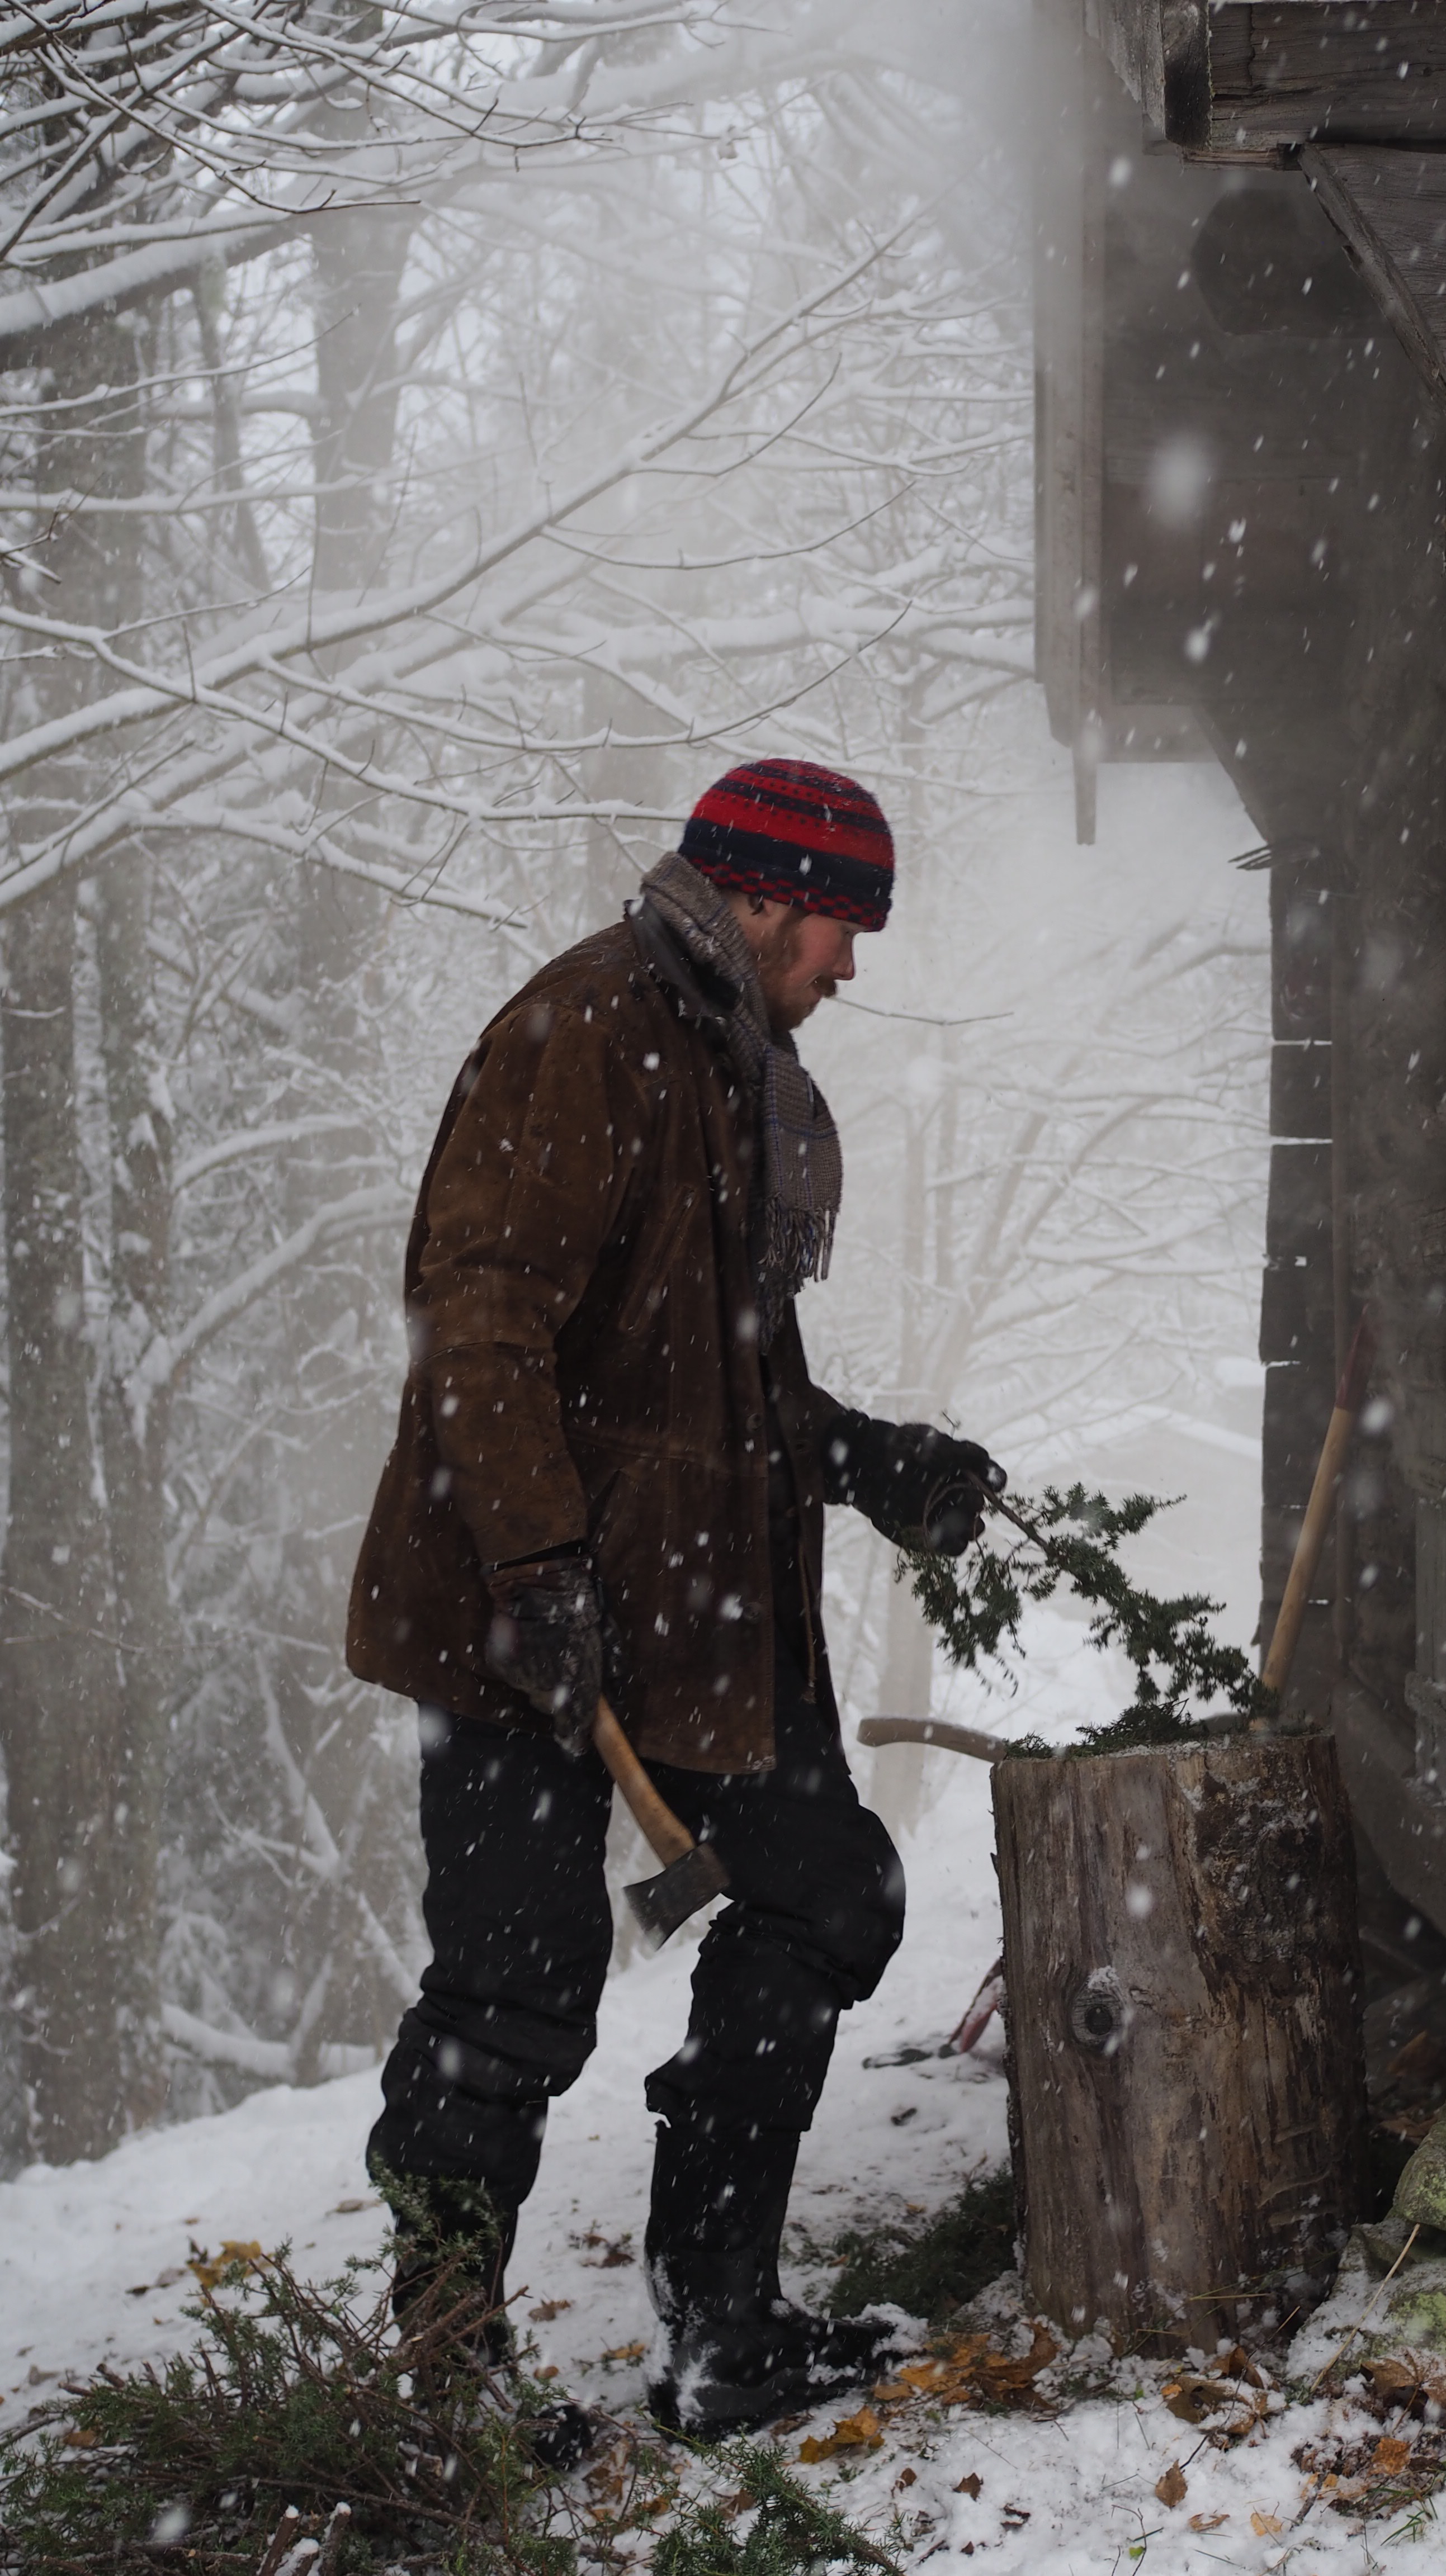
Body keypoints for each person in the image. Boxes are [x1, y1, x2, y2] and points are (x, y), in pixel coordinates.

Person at [345, 758, 1005, 2433]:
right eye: (841, 928)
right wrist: (535, 1568)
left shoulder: (731, 1065)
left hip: (688, 1610)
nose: (850, 965)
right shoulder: (583, 1032)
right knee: (515, 1986)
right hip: (525, 1619)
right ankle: (439, 2386)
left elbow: (727, 1383)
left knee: (828, 1893)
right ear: (766, 899)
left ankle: (724, 2325)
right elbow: (479, 1319)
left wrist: (871, 1462)